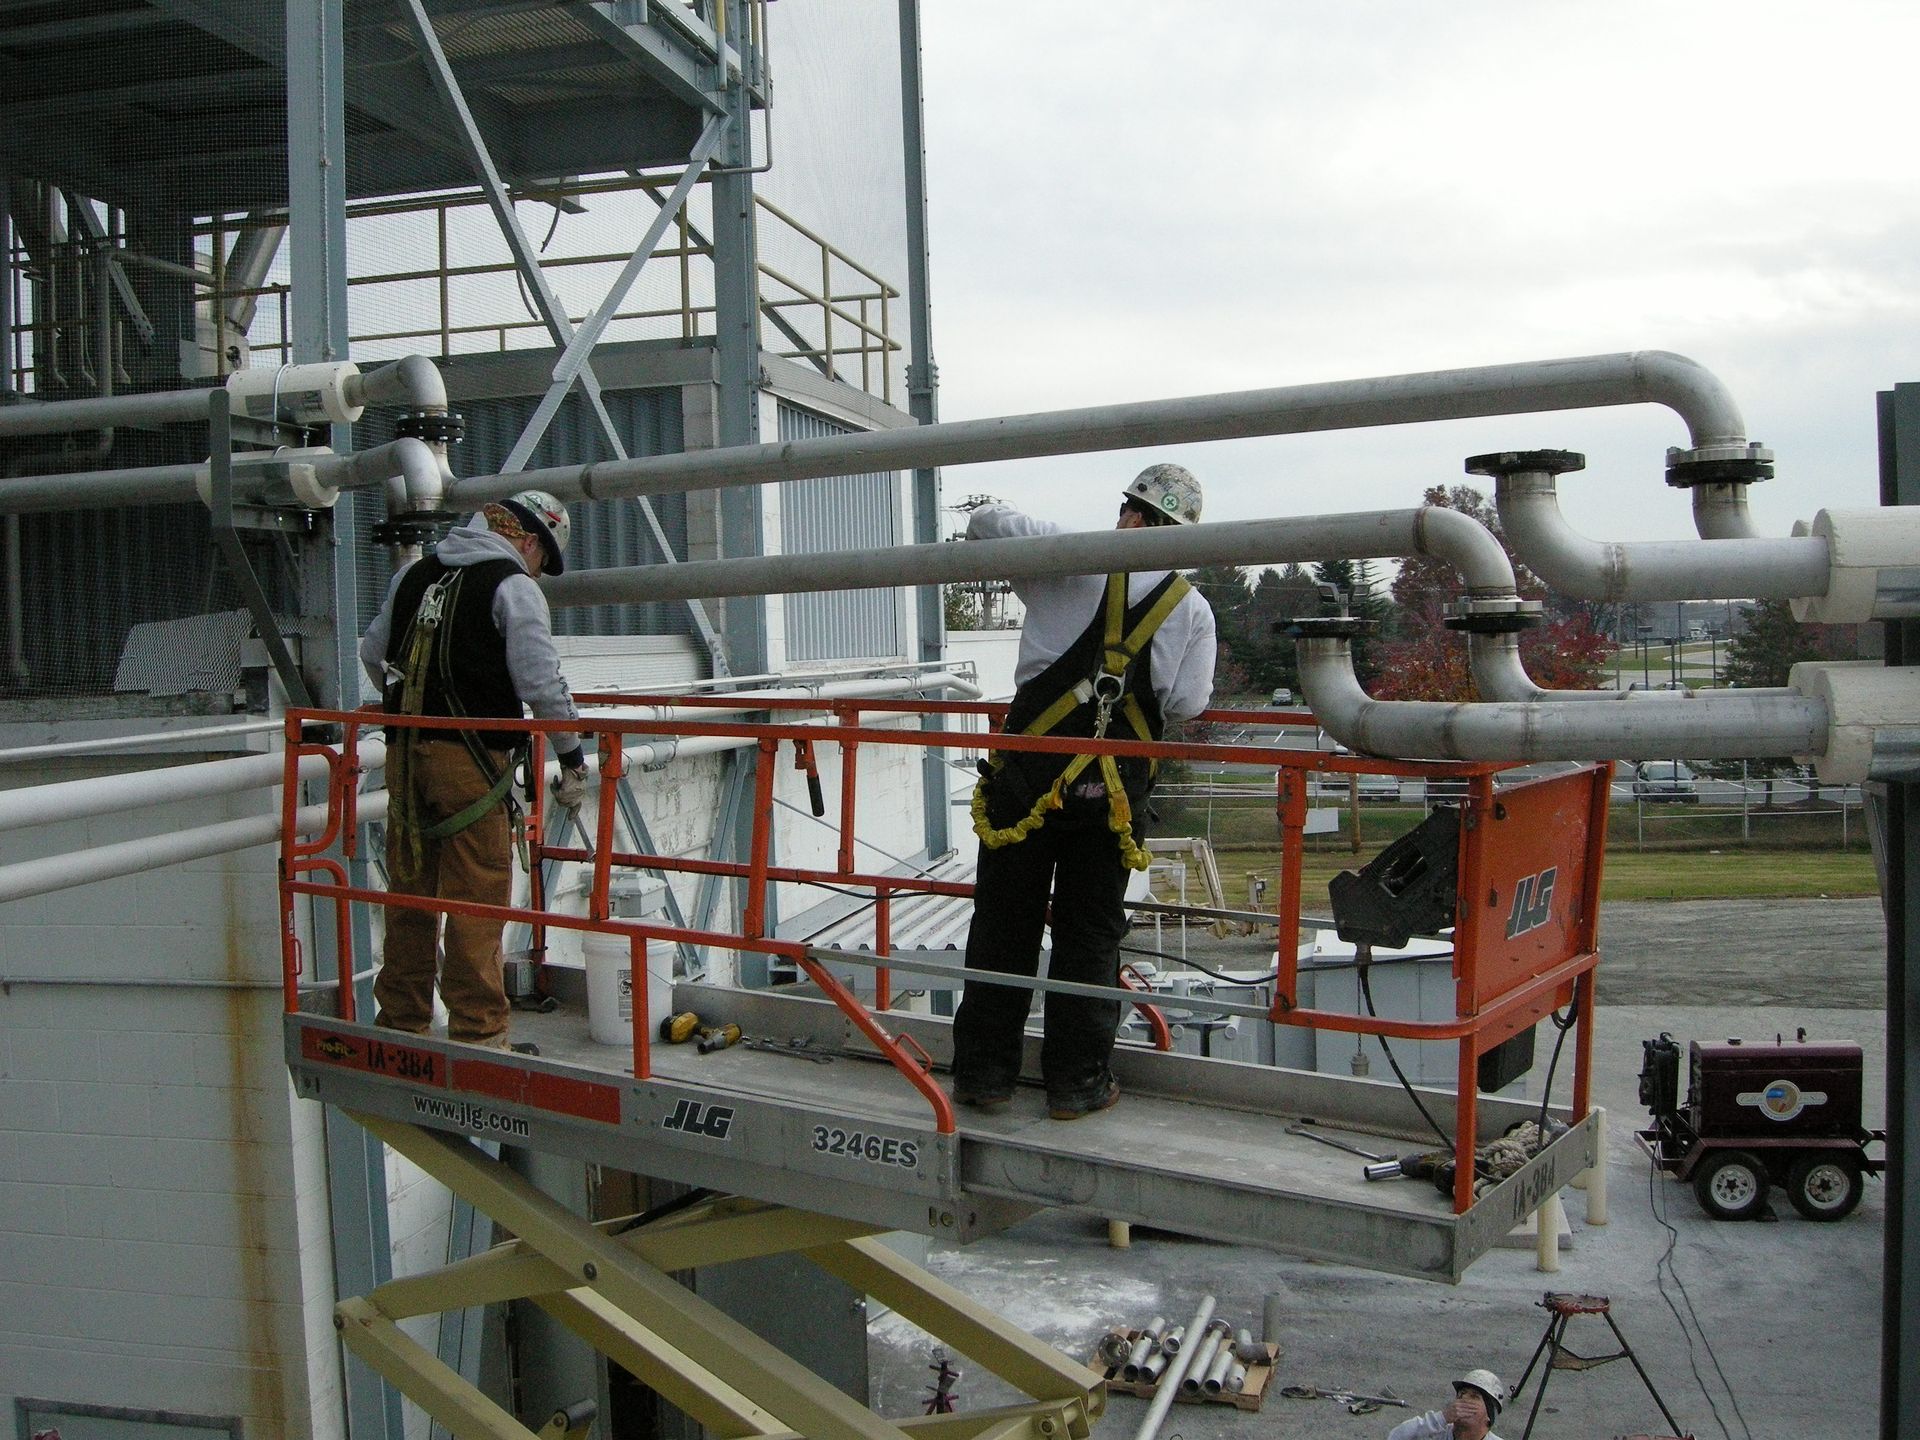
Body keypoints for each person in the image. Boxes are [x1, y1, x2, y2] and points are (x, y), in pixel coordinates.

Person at [950, 463, 1216, 1120]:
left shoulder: (1067, 560)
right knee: (1089, 937)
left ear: (1128, 513)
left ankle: (985, 1078)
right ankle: (1076, 1084)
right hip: (1111, 800)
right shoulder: (1192, 607)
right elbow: (1187, 701)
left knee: (1003, 925)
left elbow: (984, 523)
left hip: (1026, 784)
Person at [359, 489, 589, 1050]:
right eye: (542, 561)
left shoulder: (413, 577)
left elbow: (373, 652)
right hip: (470, 765)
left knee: (411, 890)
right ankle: (478, 1032)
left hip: (407, 758)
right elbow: (542, 683)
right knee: (476, 898)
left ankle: (402, 1021)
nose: (538, 572)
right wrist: (571, 757)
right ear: (529, 541)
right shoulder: (513, 586)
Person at [1387, 1369, 1508, 1440]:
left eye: (1474, 1397)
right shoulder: (1435, 1433)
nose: (1464, 1399)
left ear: (1489, 1416)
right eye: (1461, 1394)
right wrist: (1440, 1418)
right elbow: (1395, 1437)